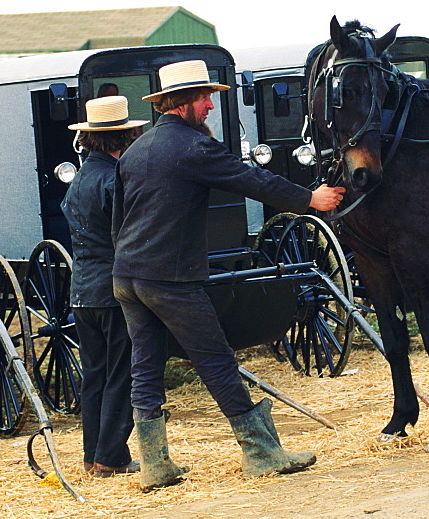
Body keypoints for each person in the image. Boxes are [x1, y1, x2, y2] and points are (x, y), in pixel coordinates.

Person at [112, 59, 344, 491]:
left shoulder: (136, 150)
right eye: (205, 99)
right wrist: (310, 198)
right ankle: (262, 453)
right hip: (171, 278)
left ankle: (155, 466)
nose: (210, 107)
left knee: (145, 367)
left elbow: (118, 220)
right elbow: (251, 179)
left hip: (127, 275)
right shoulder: (193, 148)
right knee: (215, 359)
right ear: (183, 102)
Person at [62, 95, 148, 478]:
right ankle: (111, 457)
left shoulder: (80, 180)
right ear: (123, 139)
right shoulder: (114, 180)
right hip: (114, 294)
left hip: (83, 293)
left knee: (95, 375)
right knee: (121, 374)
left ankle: (91, 454)